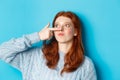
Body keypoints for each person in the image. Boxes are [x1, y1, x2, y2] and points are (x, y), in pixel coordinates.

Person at [0, 11, 97, 80]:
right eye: (57, 25)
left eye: (67, 25)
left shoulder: (86, 65)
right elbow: (2, 51)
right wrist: (38, 36)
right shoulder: (35, 56)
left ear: (75, 31)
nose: (60, 29)